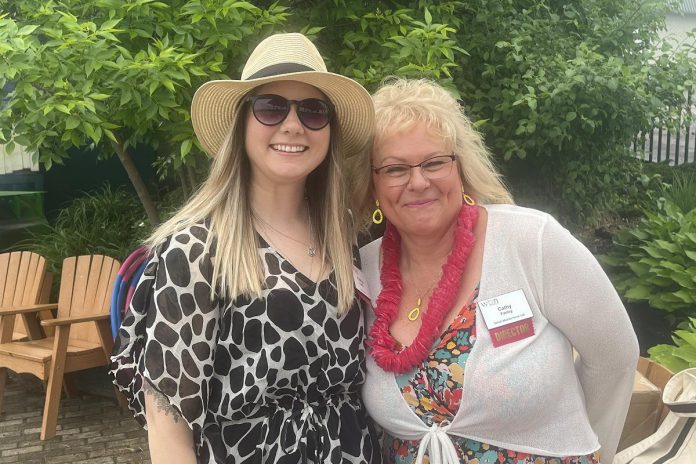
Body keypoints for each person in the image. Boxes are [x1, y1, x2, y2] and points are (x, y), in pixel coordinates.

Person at [110, 33, 381, 464]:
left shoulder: (348, 240)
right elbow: (169, 425)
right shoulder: (195, 250)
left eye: (313, 111)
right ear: (242, 123)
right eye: (271, 107)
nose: (292, 125)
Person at [354, 78, 639, 464]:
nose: (418, 182)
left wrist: (589, 448)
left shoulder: (530, 240)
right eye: (395, 169)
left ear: (460, 167)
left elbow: (615, 357)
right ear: (372, 184)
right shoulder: (365, 270)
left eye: (435, 162)